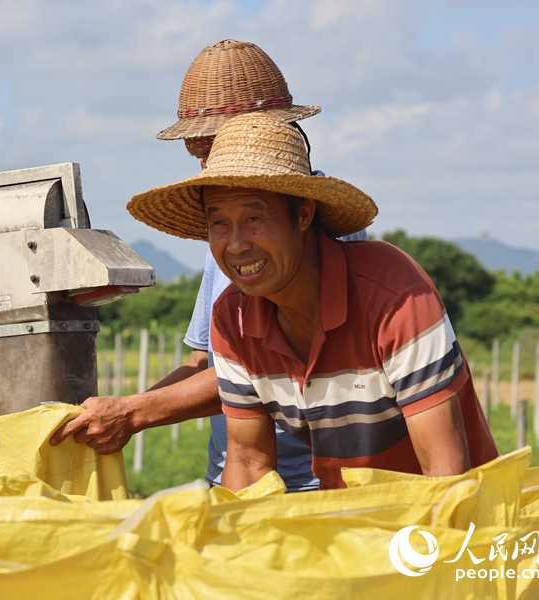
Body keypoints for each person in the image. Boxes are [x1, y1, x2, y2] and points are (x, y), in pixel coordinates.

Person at [126, 111, 499, 490]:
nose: (236, 244)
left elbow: (445, 474)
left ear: (303, 214)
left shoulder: (392, 293)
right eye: (219, 222)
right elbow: (249, 461)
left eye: (254, 218)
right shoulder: (232, 319)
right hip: (343, 524)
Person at [52, 40, 362, 492]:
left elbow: (266, 366)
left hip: (311, 488)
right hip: (236, 477)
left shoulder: (318, 226)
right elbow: (205, 361)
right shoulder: (232, 234)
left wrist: (136, 412)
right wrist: (122, 410)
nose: (205, 167)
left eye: (212, 149)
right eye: (196, 155)